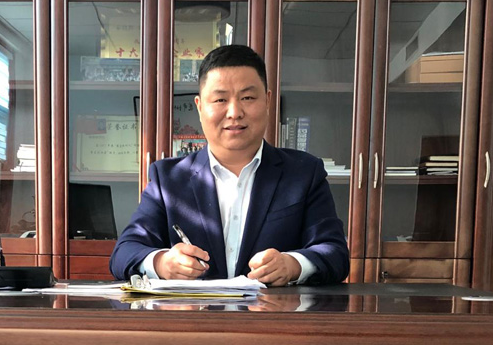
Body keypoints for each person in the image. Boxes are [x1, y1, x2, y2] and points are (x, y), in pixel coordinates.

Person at [109, 44, 349, 286]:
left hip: (273, 310)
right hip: (195, 311)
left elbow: (335, 253)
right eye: (220, 99)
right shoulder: (169, 179)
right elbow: (124, 253)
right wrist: (162, 263)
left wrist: (293, 265)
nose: (234, 112)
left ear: (267, 101)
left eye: (247, 98)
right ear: (199, 106)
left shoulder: (304, 173)